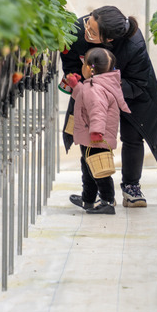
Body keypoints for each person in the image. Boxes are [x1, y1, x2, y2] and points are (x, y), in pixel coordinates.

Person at [61, 5, 157, 207]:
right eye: (88, 23)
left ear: (108, 39)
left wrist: (105, 86)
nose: (86, 30)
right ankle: (92, 193)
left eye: (93, 32)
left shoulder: (134, 44)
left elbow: (139, 83)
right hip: (92, 89)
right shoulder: (77, 31)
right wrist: (75, 77)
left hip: (132, 92)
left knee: (133, 135)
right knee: (88, 140)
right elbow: (69, 61)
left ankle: (131, 187)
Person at [63, 48, 129, 215]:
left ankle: (107, 201)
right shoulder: (98, 84)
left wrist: (96, 131)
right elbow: (85, 96)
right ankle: (88, 199)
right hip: (92, 135)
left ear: (89, 68)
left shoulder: (95, 88)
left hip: (95, 136)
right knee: (88, 167)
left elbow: (97, 110)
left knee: (100, 170)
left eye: (83, 63)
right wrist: (75, 86)